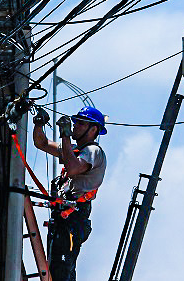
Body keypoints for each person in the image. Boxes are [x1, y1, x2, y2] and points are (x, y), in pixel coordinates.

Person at [32, 106, 108, 281]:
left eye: (80, 123)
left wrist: (65, 136)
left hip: (74, 217)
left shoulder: (93, 152)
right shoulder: (72, 150)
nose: (75, 126)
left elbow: (73, 168)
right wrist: (39, 124)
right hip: (62, 217)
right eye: (74, 123)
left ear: (93, 129)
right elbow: (41, 143)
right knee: (53, 268)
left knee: (61, 271)